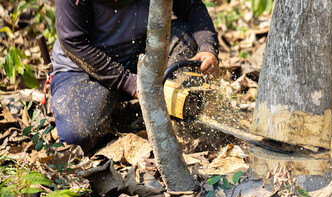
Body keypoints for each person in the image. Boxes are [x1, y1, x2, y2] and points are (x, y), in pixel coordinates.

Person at [51, 0, 219, 152]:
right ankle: (118, 111)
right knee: (77, 138)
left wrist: (207, 46)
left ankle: (183, 116)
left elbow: (192, 6)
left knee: (184, 34)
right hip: (86, 67)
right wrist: (130, 83)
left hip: (142, 50)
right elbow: (74, 43)